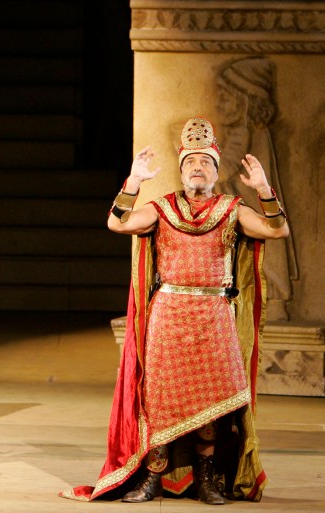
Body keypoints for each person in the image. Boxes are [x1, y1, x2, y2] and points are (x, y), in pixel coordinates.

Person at [59, 117, 289, 505]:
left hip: (214, 314)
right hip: (169, 313)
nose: (197, 168)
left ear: (216, 170)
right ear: (182, 170)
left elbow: (277, 230)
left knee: (213, 402)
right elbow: (118, 224)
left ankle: (207, 479)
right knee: (161, 399)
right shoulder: (163, 209)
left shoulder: (231, 209)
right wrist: (133, 182)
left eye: (205, 162)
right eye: (190, 163)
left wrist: (264, 189)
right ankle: (153, 476)